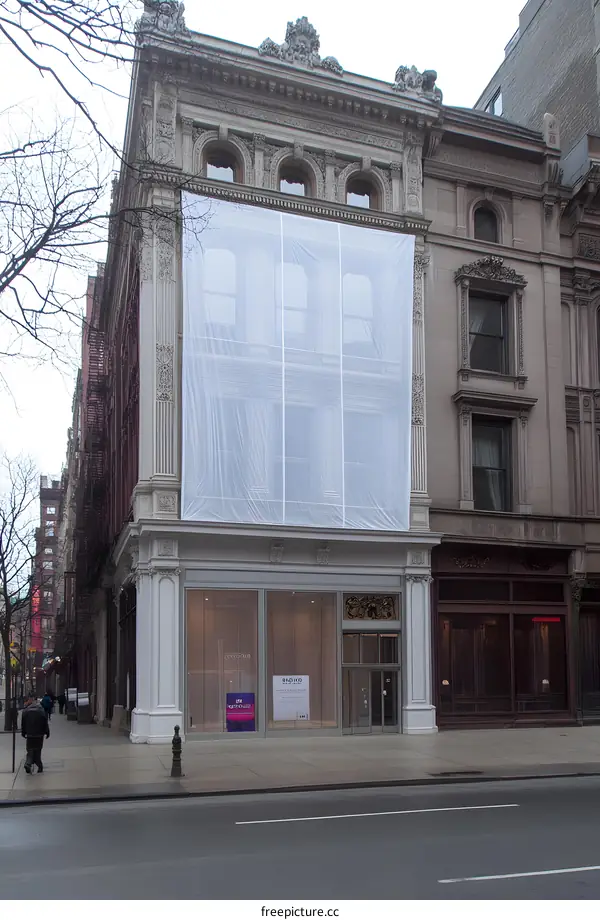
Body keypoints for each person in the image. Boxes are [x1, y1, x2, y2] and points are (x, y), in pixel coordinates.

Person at [21, 696, 50, 774]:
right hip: (39, 735)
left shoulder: (26, 711)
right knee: (38, 750)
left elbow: (23, 724)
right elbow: (45, 723)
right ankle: (39, 765)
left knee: (30, 750)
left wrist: (23, 733)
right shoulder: (41, 711)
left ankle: (28, 763)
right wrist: (47, 732)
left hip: (30, 734)